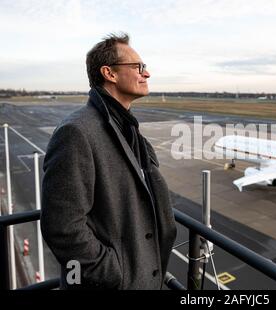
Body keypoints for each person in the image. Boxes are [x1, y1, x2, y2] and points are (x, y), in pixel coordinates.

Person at [41, 33, 177, 289]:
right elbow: (62, 227)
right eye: (138, 67)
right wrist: (115, 274)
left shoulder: (127, 128)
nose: (146, 74)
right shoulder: (77, 132)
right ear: (109, 73)